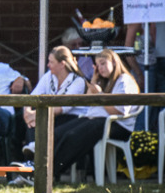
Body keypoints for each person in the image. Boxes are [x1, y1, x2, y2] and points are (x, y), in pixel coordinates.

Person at [52, 48, 140, 179]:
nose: (100, 68)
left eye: (103, 63)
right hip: (97, 120)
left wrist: (100, 95)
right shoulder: (105, 81)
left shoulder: (124, 80)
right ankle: (41, 166)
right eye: (97, 65)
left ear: (114, 62)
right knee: (59, 132)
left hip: (118, 125)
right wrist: (94, 80)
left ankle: (50, 172)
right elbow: (88, 101)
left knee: (73, 135)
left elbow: (120, 111)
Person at [11, 46, 91, 186]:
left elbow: (63, 107)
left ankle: (33, 168)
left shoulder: (78, 81)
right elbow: (33, 96)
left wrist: (36, 115)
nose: (48, 65)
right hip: (51, 115)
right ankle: (28, 168)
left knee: (39, 121)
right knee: (25, 122)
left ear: (62, 64)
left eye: (51, 62)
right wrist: (27, 112)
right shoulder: (49, 76)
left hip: (72, 119)